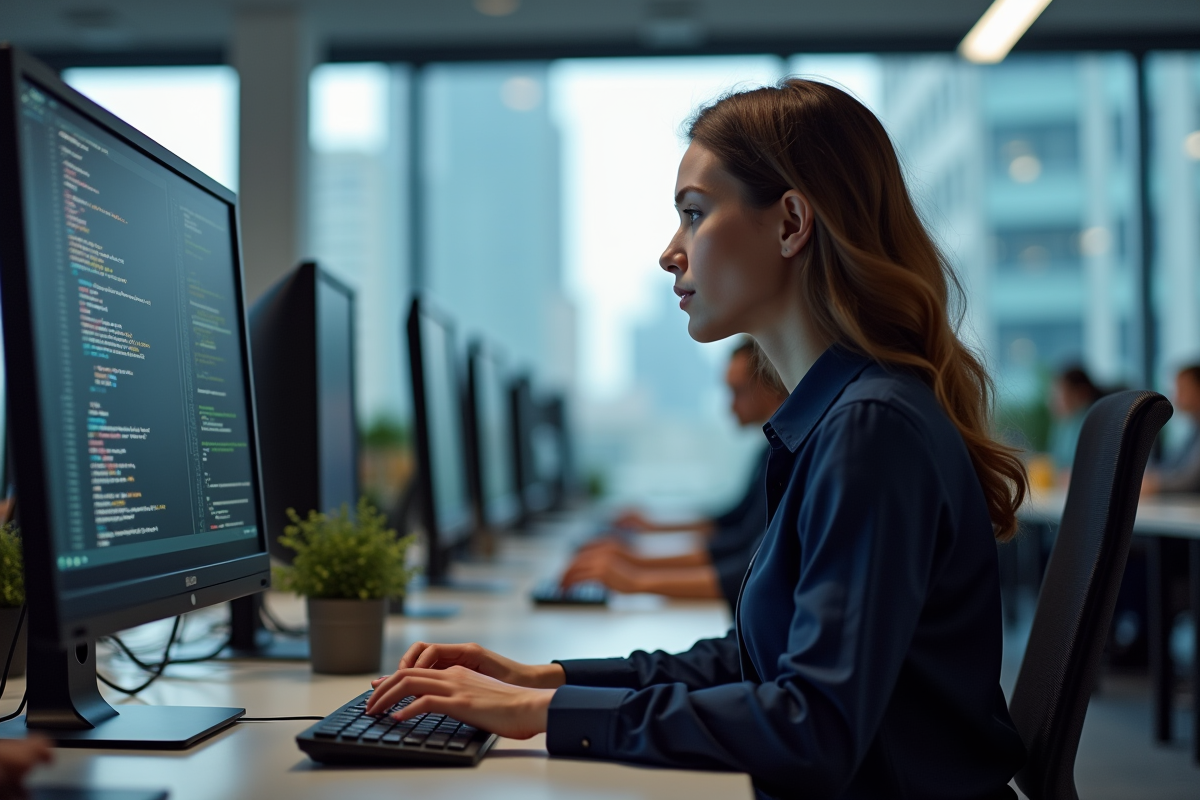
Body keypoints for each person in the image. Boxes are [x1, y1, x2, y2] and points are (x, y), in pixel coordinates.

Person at [366, 80, 1028, 800]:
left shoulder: (870, 429)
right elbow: (751, 661)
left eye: (693, 214)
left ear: (791, 223)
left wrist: (544, 715)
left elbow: (812, 729)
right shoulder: (840, 420)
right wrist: (543, 680)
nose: (669, 253)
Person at [560, 339, 788, 607]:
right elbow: (728, 525)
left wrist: (636, 576)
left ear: (773, 385)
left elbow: (743, 560)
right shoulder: (769, 451)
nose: (730, 406)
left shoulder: (786, 456)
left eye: (738, 391)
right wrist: (647, 533)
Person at [1143, 364, 1200, 495]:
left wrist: (1154, 485)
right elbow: (1173, 466)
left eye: (1183, 389)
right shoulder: (1195, 430)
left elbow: (1191, 480)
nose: (1176, 397)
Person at [1046, 364, 1102, 476]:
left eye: (1060, 394)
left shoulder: (1092, 422)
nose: (1053, 401)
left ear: (1081, 393)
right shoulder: (1063, 424)